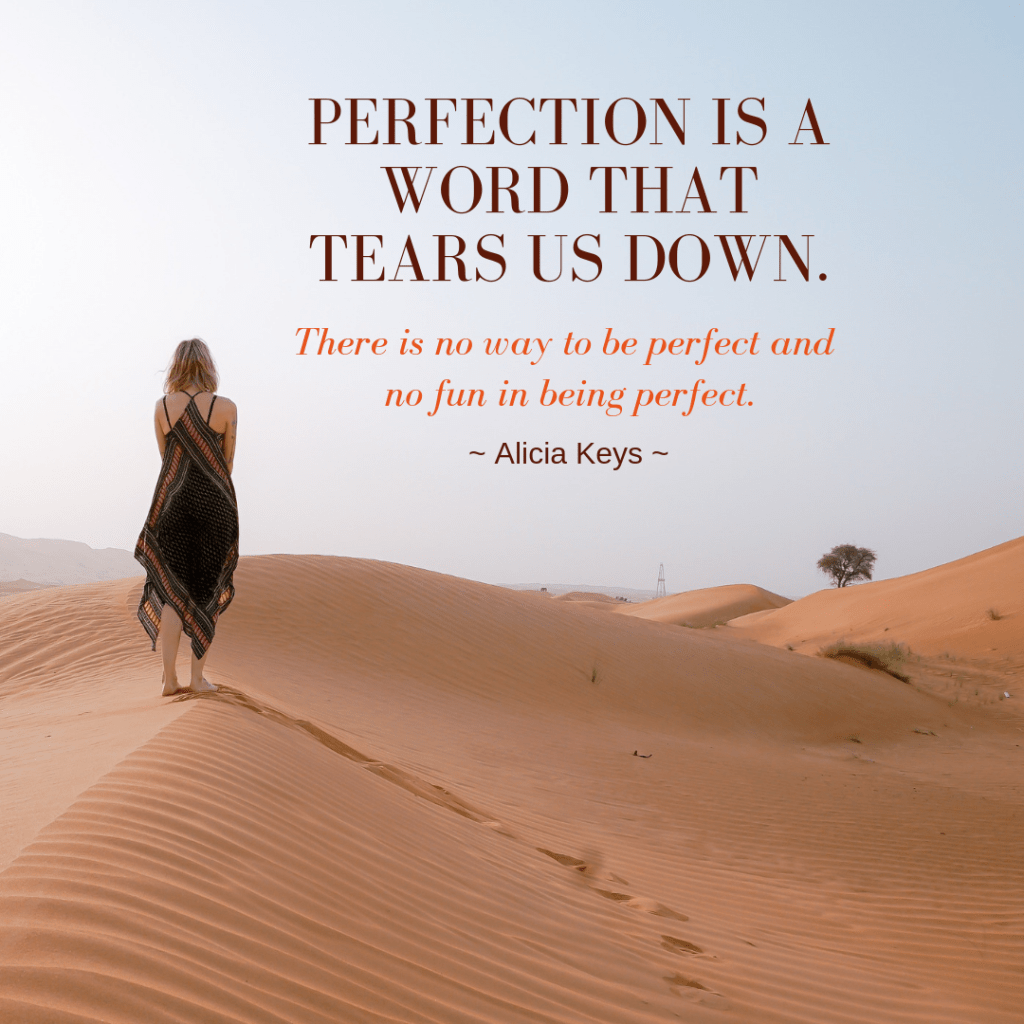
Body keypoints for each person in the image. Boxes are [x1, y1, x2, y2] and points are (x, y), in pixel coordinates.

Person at [135, 338, 239, 696]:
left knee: (171, 592)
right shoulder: (226, 407)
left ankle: (168, 679)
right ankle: (197, 678)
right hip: (215, 508)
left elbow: (167, 459)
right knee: (205, 591)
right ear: (208, 365)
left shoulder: (162, 408)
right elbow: (227, 464)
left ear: (176, 366)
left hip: (172, 506)